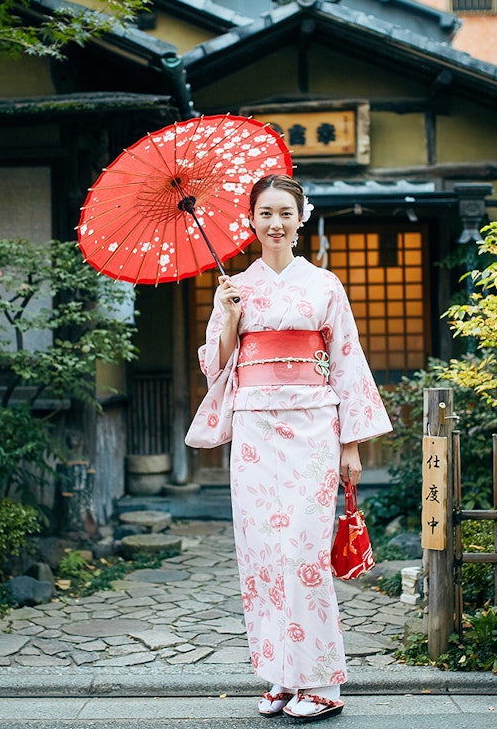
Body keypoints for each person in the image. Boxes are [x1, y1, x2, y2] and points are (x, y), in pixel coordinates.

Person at [185, 174, 393, 721]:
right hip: (255, 428)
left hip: (313, 428)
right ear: (250, 221)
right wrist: (228, 317)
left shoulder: (325, 286)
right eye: (265, 214)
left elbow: (346, 361)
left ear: (301, 220)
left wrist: (352, 444)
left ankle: (321, 680)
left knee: (302, 554)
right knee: (260, 556)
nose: (275, 224)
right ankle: (280, 675)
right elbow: (216, 366)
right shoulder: (235, 287)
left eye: (285, 213)